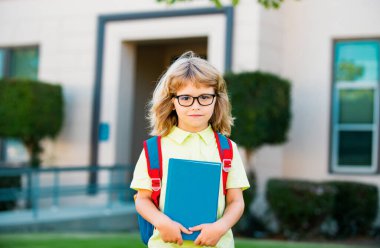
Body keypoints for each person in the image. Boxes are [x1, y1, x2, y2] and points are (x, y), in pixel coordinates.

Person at [130, 51, 250, 248]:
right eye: (186, 98)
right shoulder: (154, 149)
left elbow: (236, 202)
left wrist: (219, 228)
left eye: (204, 97)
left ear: (216, 99)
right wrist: (162, 222)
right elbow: (142, 200)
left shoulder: (227, 148)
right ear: (172, 101)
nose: (195, 106)